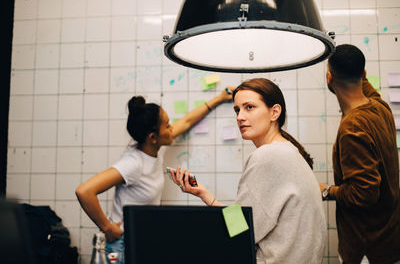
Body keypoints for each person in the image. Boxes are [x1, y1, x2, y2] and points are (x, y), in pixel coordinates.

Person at [170, 78, 327, 264]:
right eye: (237, 109)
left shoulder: (268, 156)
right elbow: (246, 225)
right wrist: (203, 193)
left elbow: (239, 232)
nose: (240, 117)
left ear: (274, 112)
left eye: (249, 107)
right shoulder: (287, 150)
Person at [75, 88, 234, 264]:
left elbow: (187, 121)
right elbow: (84, 191)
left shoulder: (156, 148)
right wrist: (108, 228)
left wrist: (219, 98)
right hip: (122, 244)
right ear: (153, 137)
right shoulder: (133, 163)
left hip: (141, 239)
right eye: (167, 125)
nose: (172, 127)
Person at [319, 44, 400, 264]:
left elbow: (363, 194)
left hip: (368, 249)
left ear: (329, 78)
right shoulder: (380, 106)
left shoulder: (353, 128)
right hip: (390, 238)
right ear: (363, 74)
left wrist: (327, 191)